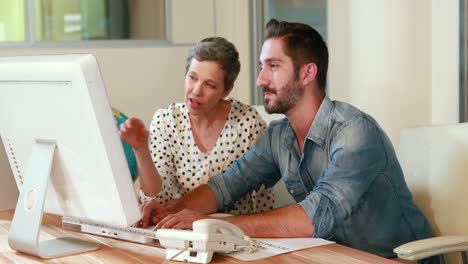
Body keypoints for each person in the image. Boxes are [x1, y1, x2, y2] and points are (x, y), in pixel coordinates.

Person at [138, 19, 435, 261]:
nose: (260, 80)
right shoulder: (279, 136)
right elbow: (225, 186)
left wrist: (212, 226)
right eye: (261, 66)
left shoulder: (355, 132)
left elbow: (313, 218)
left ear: (307, 73)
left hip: (392, 261)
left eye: (273, 66)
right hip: (333, 257)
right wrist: (172, 212)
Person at [119, 37, 274, 216]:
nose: (196, 90)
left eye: (210, 84)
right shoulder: (166, 121)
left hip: (235, 233)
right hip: (181, 231)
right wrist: (140, 149)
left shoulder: (248, 122)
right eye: (192, 78)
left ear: (226, 90)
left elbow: (263, 200)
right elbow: (159, 201)